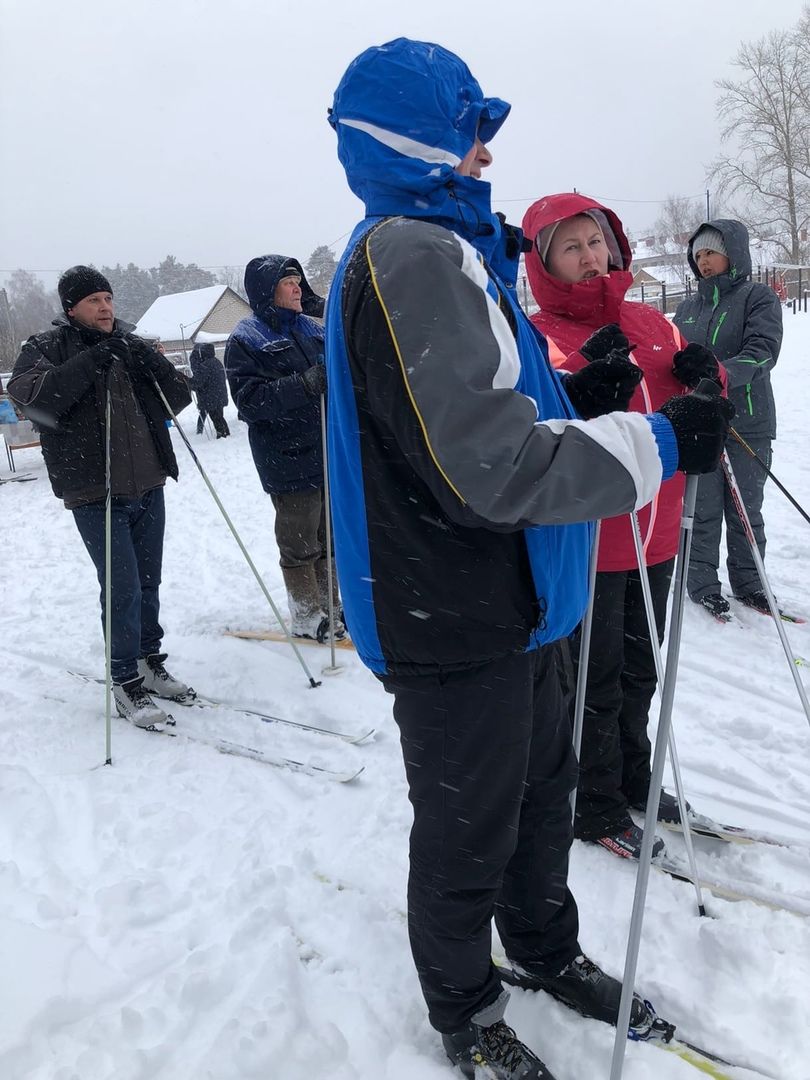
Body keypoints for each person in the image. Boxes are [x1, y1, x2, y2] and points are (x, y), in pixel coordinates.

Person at [325, 38, 734, 1080]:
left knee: (543, 801)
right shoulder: (411, 254)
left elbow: (497, 413)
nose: (485, 155)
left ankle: (547, 952)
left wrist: (587, 403)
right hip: (452, 611)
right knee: (471, 829)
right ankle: (464, 1009)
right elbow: (488, 466)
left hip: (527, 595)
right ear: (415, 144)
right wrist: (655, 443)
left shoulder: (452, 248)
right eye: (470, 137)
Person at [521, 193, 726, 860]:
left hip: (657, 532)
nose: (588, 258)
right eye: (571, 247)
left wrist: (705, 372)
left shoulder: (650, 322)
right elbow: (531, 429)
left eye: (595, 242)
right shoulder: (534, 334)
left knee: (642, 670)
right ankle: (594, 799)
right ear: (546, 261)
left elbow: (698, 398)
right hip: (590, 542)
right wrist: (581, 387)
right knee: (593, 681)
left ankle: (634, 777)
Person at [8, 266, 193, 727]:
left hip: (148, 481)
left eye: (109, 298)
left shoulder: (130, 344)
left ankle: (149, 661)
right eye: (94, 300)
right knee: (122, 585)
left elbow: (179, 398)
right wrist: (93, 360)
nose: (106, 307)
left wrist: (152, 362)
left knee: (149, 580)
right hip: (94, 488)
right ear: (71, 308)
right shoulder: (44, 348)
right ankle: (125, 678)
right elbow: (34, 400)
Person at [224, 256, 343, 641]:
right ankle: (309, 615)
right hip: (287, 457)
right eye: (287, 281)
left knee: (331, 540)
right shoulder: (246, 337)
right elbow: (250, 401)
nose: (297, 288)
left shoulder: (314, 328)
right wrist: (304, 384)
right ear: (265, 290)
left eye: (298, 280)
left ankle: (335, 606)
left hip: (328, 450)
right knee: (300, 543)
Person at [674, 221, 783, 619]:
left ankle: (750, 585)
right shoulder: (687, 308)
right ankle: (702, 585)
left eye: (711, 252)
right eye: (698, 255)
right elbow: (672, 360)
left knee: (745, 510)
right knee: (700, 510)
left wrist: (720, 375)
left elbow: (763, 349)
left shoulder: (758, 297)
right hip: (702, 424)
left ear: (732, 252)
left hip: (748, 422)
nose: (703, 261)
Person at [189, 341, 230, 438]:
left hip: (211, 398)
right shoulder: (217, 362)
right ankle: (226, 433)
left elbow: (198, 381)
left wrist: (189, 383)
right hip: (220, 395)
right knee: (219, 416)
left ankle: (222, 435)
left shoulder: (205, 365)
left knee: (216, 417)